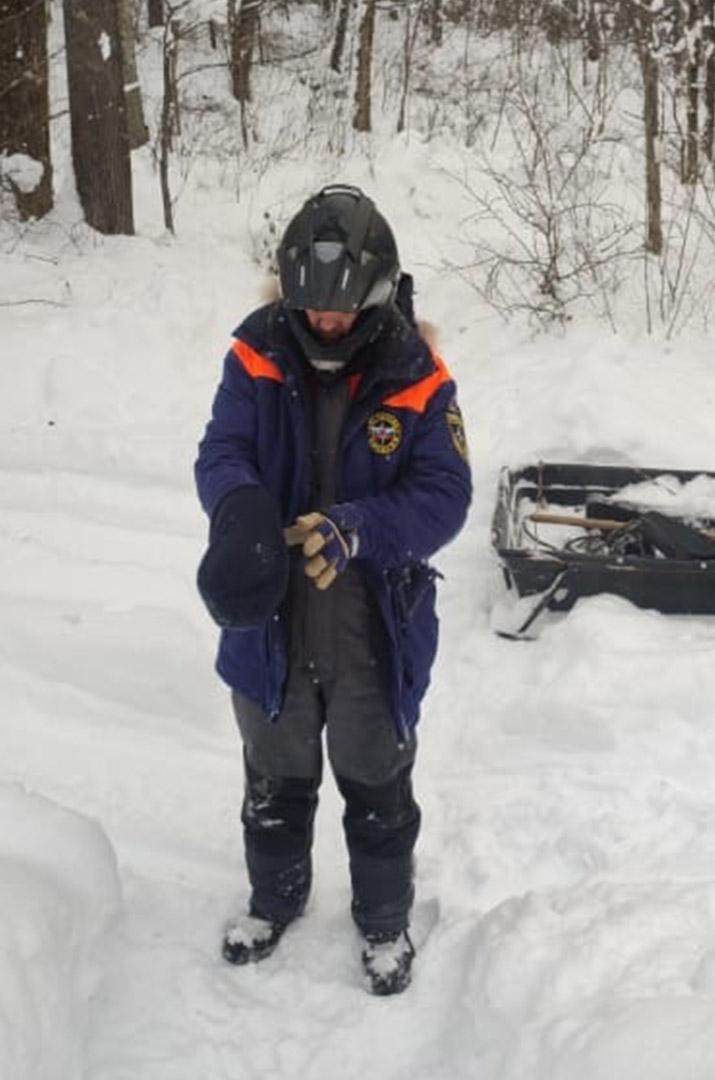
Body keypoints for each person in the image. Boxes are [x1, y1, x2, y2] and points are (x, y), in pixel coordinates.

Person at [192, 184, 472, 996]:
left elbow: (444, 495)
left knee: (374, 777)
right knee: (275, 774)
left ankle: (384, 922)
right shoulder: (255, 350)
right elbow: (222, 448)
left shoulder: (417, 374)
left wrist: (360, 528)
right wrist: (239, 508)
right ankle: (274, 899)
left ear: (379, 294)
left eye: (344, 312)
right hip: (270, 613)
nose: (326, 324)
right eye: (312, 310)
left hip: (370, 620)